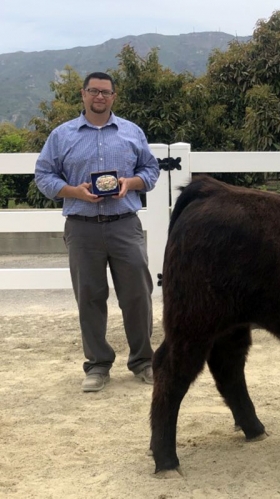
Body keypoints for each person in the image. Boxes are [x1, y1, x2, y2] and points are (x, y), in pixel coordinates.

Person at [35, 72, 160, 393]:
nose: (99, 97)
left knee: (137, 296)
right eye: (93, 91)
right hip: (82, 227)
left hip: (124, 225)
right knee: (89, 297)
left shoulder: (132, 132)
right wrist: (75, 192)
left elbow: (151, 170)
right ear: (83, 94)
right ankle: (98, 365)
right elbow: (43, 175)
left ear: (114, 96)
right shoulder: (61, 136)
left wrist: (129, 184)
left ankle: (144, 361)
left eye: (105, 92)